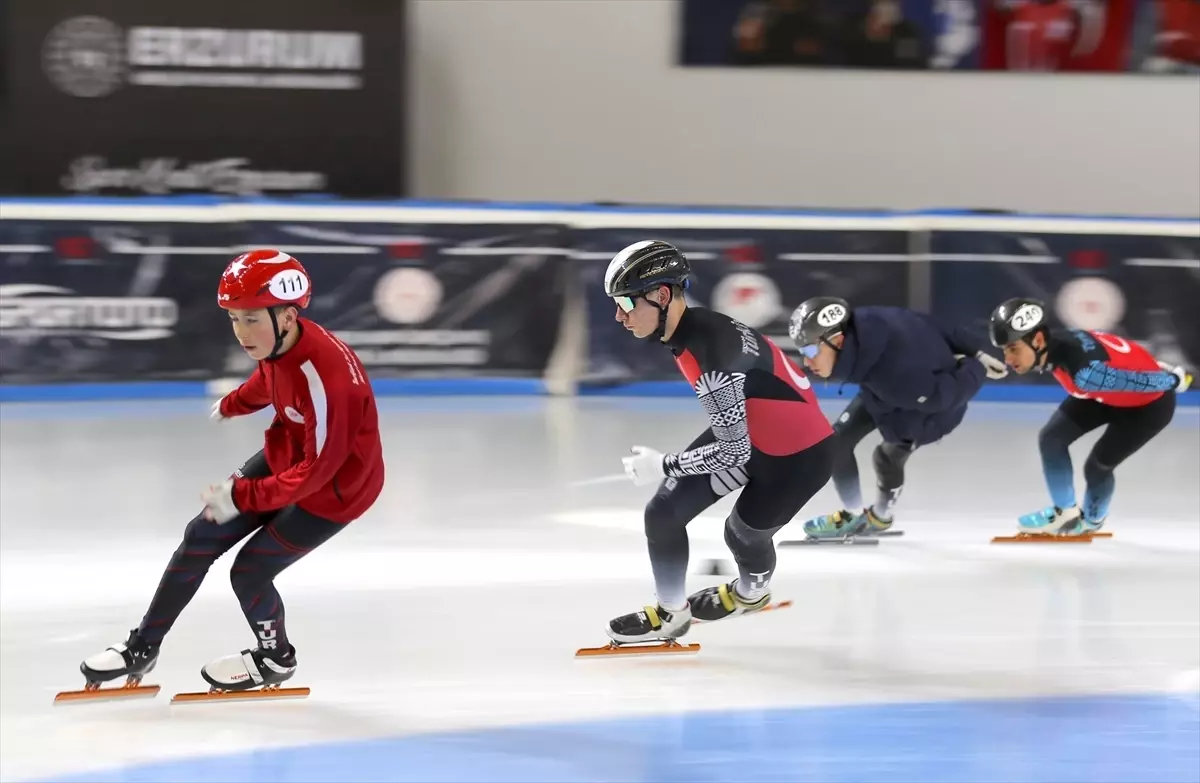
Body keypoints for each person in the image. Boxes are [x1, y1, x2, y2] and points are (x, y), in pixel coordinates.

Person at [76, 249, 385, 693]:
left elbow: (315, 475)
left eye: (252, 319)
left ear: (288, 314)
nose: (242, 333)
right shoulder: (283, 341)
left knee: (250, 571)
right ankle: (142, 646)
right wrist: (236, 402)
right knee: (200, 535)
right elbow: (270, 378)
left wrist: (243, 497)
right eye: (235, 319)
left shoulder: (328, 381)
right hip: (292, 457)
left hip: (336, 489)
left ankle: (276, 659)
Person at [602, 240, 835, 646]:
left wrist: (664, 465)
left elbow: (733, 453)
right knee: (663, 513)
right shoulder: (694, 329)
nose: (618, 315)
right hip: (756, 430)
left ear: (661, 295)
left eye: (624, 302)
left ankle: (750, 594)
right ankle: (671, 614)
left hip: (799, 457)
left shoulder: (714, 359)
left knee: (742, 535)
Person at [789, 296, 1004, 540]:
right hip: (885, 388)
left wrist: (975, 367)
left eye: (810, 350)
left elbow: (944, 397)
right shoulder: (865, 321)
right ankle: (854, 515)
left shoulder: (896, 376)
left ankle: (879, 516)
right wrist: (976, 349)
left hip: (931, 409)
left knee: (887, 457)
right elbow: (927, 322)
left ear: (837, 340)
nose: (807, 361)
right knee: (836, 441)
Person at [988, 297, 1191, 534]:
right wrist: (1154, 364)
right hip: (1107, 393)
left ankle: (1092, 521)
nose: (1008, 359)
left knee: (1096, 467)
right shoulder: (1065, 345)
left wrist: (1174, 379)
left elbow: (1144, 382)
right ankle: (1065, 515)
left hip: (1148, 407)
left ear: (1039, 340)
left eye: (1013, 349)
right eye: (1004, 351)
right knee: (1051, 438)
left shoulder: (1085, 373)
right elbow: (1116, 352)